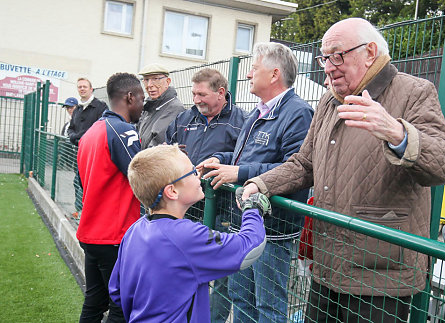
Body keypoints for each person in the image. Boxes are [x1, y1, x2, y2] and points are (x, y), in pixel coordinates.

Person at [240, 18, 445, 322]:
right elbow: (303, 163)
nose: (328, 67)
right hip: (328, 265)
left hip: (381, 275)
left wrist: (398, 134)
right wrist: (261, 184)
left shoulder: (414, 91)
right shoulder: (328, 102)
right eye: (324, 58)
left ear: (370, 52)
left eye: (337, 55)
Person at [200, 42, 314, 323]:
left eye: (253, 68)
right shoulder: (259, 110)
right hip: (244, 223)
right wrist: (219, 158)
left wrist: (238, 173)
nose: (248, 75)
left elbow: (294, 169)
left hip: (273, 230)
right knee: (241, 300)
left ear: (274, 74)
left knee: (268, 308)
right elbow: (244, 154)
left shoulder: (298, 113)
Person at [108, 144, 269, 323]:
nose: (198, 175)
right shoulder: (186, 236)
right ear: (172, 191)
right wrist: (252, 209)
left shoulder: (135, 230)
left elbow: (117, 291)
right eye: (192, 172)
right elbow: (249, 248)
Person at [165, 68, 246, 322]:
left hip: (222, 210)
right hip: (186, 211)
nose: (197, 100)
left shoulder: (241, 121)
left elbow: (244, 159)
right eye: (194, 94)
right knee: (183, 269)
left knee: (220, 276)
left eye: (202, 94)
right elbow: (167, 151)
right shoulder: (184, 119)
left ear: (221, 92)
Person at [76, 73, 144, 323]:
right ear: (129, 97)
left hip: (90, 232)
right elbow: (143, 177)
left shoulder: (92, 131)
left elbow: (83, 181)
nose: (142, 104)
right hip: (113, 237)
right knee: (121, 308)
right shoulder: (123, 130)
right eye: (141, 98)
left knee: (94, 302)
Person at [68, 78, 108, 219]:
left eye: (85, 86)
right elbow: (71, 129)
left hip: (95, 154)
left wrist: (81, 137)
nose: (82, 89)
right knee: (79, 182)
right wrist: (74, 138)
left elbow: (102, 128)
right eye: (79, 87)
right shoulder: (78, 109)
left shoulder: (100, 107)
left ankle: (93, 216)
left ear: (91, 89)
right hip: (79, 153)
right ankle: (82, 213)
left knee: (92, 186)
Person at [137, 63, 185, 149]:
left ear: (168, 81)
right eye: (146, 80)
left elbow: (158, 143)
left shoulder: (174, 108)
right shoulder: (149, 106)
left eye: (155, 79)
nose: (149, 85)